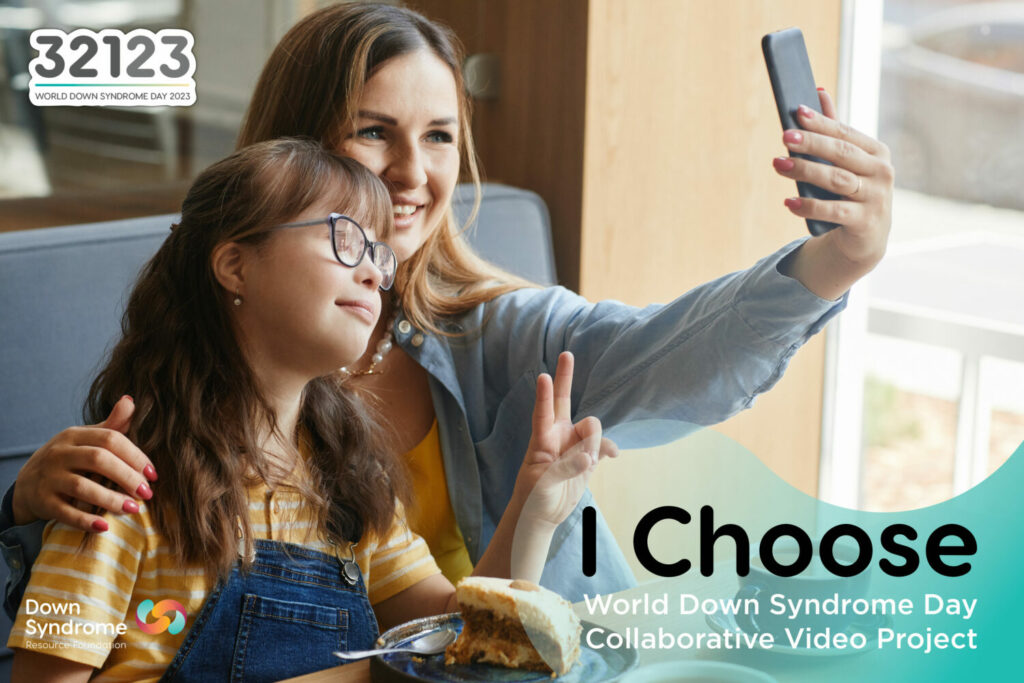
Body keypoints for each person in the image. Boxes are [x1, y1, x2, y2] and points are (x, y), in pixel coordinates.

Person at [1, 3, 894, 605]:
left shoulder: (485, 350)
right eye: (371, 132)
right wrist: (21, 518)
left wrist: (835, 260)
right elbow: (64, 628)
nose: (413, 174)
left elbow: (463, 630)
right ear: (289, 158)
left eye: (439, 137)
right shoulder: (165, 433)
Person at [5, 138, 608, 682]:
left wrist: (534, 508)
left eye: (378, 252)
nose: (374, 271)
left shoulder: (352, 480)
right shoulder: (122, 482)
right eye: (345, 238)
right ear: (236, 265)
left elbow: (456, 634)